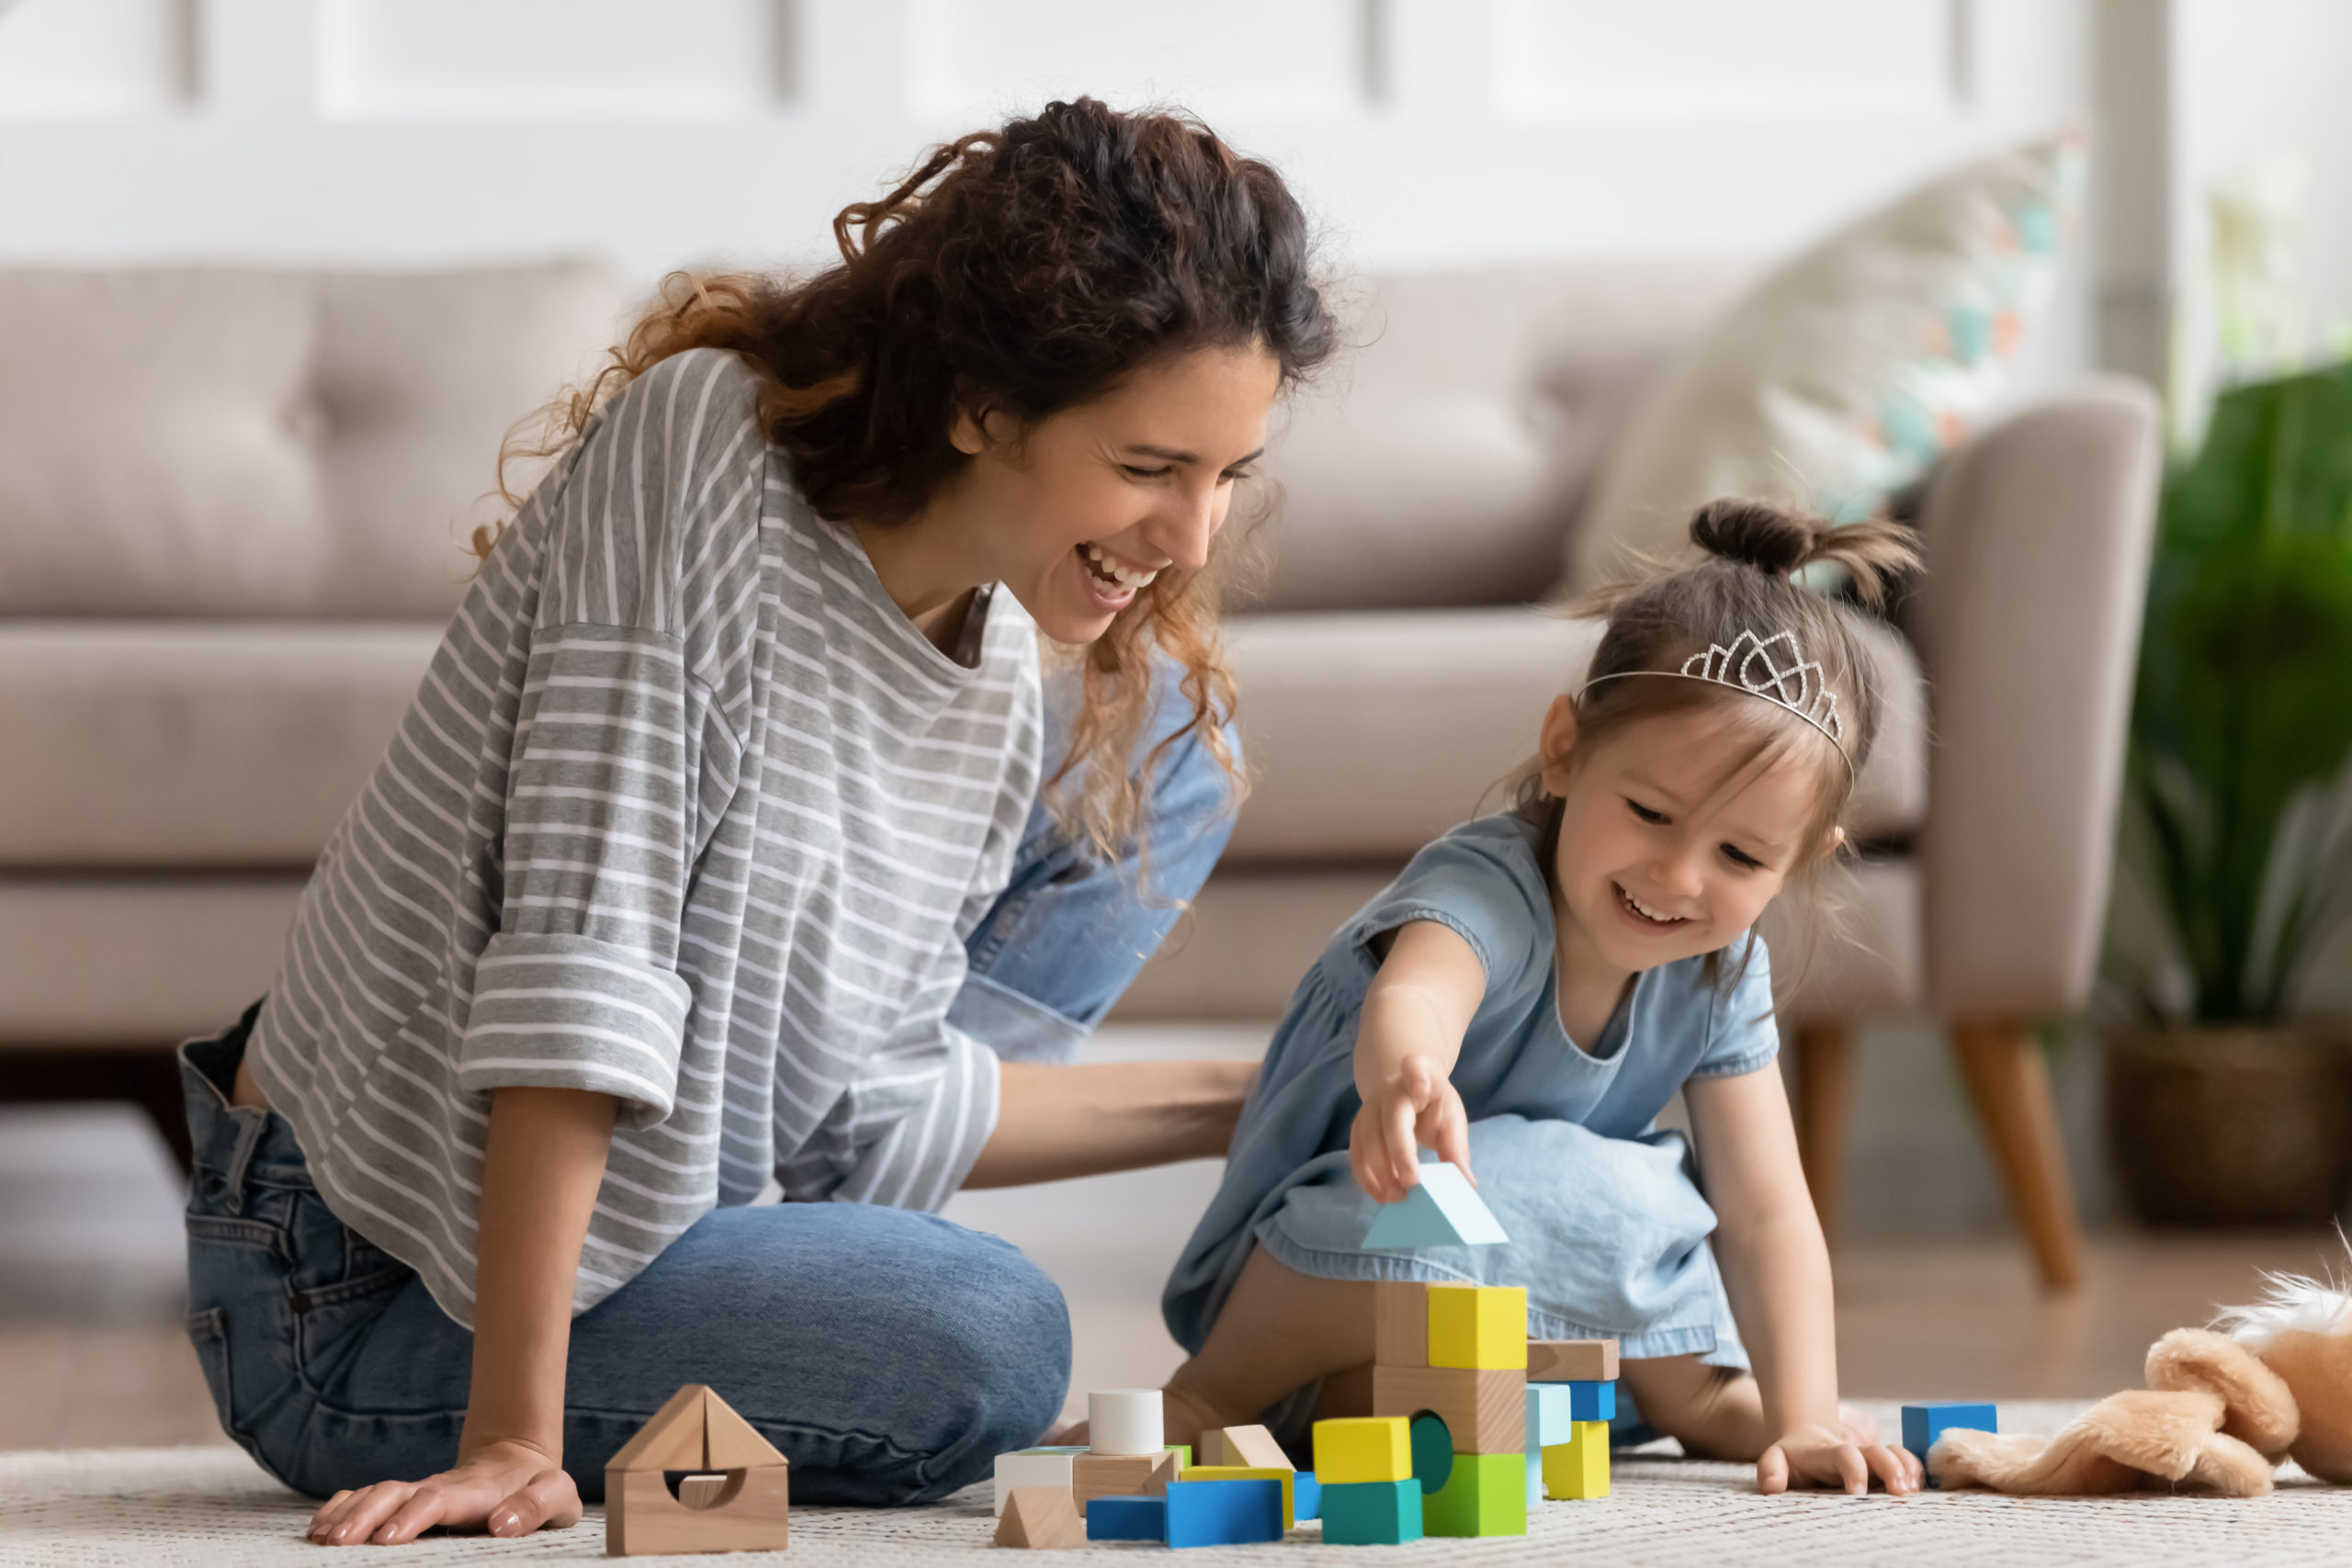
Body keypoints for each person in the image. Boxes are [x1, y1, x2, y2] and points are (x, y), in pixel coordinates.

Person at [176, 97, 1339, 1546]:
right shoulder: (704, 455)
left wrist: (1298, 1085)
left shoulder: (986, 673)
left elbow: (872, 1097)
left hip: (654, 1226)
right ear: (980, 402)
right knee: (992, 1333)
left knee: (1175, 736)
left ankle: (841, 1297)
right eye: (1151, 468)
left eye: (1228, 476)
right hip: (358, 1284)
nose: (1193, 539)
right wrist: (514, 1439)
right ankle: (831, 1316)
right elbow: (578, 959)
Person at [1157, 501, 1927, 1496]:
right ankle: (1212, 1399)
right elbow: (1421, 988)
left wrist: (1807, 1411)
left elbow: (1768, 1208)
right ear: (1564, 750)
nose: (1679, 876)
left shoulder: (1721, 972)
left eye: (1740, 856)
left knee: (1639, 1208)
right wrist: (1410, 1074)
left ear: (1799, 865)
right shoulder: (1486, 889)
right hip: (1327, 1273)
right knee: (1539, 1178)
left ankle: (1704, 1407)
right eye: (1648, 812)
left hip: (1489, 1327)